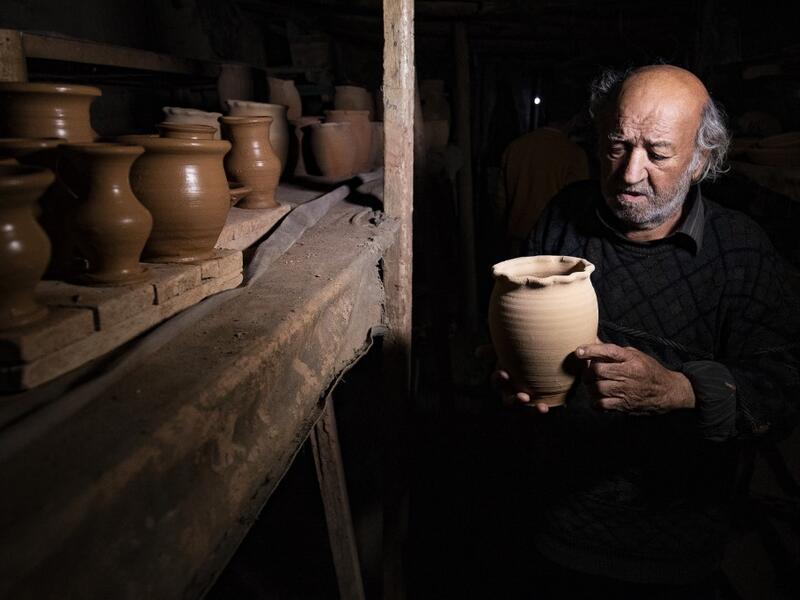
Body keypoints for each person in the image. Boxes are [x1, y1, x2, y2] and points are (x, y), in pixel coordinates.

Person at [494, 65, 800, 598]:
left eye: (657, 153)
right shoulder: (564, 216)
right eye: (617, 145)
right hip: (554, 522)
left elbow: (784, 389)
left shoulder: (742, 251)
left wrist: (681, 391)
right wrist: (505, 373)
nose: (630, 173)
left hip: (674, 544)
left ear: (702, 160)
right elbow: (511, 329)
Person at [495, 96, 589, 258]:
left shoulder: (515, 147)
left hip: (517, 238)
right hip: (553, 243)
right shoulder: (573, 154)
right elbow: (577, 204)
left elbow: (499, 200)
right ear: (574, 118)